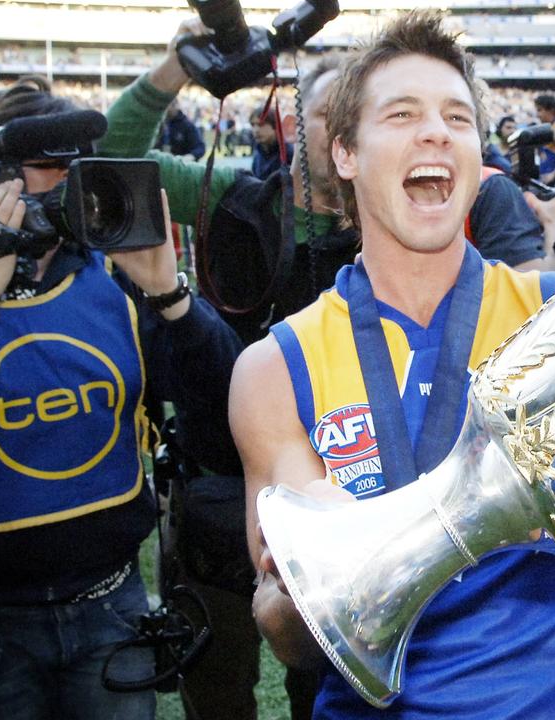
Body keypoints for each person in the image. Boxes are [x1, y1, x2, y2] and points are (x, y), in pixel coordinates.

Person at [231, 11, 555, 716]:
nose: (436, 131)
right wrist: (302, 587)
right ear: (344, 153)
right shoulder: (275, 368)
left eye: (458, 119)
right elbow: (290, 640)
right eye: (402, 114)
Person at [0, 78, 242, 720]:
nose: (70, 183)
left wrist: (172, 297)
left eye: (79, 165)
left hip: (112, 606)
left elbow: (223, 411)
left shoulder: (115, 285)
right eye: (50, 165)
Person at [100, 34, 359, 720]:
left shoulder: (399, 231)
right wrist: (182, 65)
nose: (345, 127)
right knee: (216, 682)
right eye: (331, 110)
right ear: (291, 120)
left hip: (345, 491)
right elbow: (114, 158)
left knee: (335, 691)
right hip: (219, 479)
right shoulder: (233, 196)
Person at [250, 108, 294, 181]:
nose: (256, 130)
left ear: (274, 125)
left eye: (261, 124)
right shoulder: (258, 153)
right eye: (253, 125)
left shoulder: (288, 152)